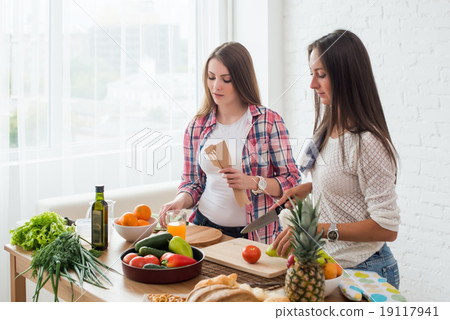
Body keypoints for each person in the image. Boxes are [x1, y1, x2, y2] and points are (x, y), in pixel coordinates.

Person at [271, 30, 401, 288]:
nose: (312, 84)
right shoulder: (326, 129)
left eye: (321, 75)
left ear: (346, 76)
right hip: (331, 266)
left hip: (366, 270)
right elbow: (345, 183)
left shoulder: (367, 142)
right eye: (312, 74)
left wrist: (321, 229)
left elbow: (387, 227)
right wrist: (308, 189)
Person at [159, 42, 300, 243]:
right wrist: (179, 200)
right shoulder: (197, 126)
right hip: (204, 227)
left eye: (226, 79)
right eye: (211, 77)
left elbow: (292, 180)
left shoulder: (268, 122)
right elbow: (193, 182)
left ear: (242, 80)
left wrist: (252, 182)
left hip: (254, 234)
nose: (216, 86)